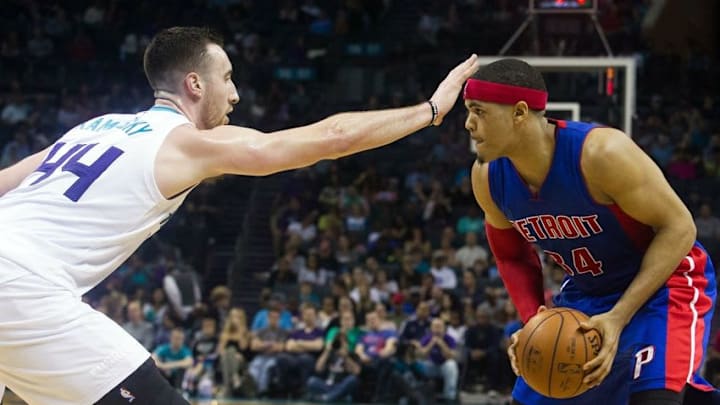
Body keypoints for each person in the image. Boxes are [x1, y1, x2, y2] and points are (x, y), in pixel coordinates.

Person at [0, 26, 479, 404]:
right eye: (226, 78)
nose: (235, 94)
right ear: (194, 83)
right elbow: (332, 138)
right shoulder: (185, 141)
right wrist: (431, 110)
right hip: (23, 284)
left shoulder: (93, 128)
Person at [465, 58, 717, 405]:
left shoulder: (601, 153)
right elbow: (511, 255)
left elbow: (679, 227)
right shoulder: (486, 178)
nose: (469, 123)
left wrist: (619, 316)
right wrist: (533, 319)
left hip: (665, 286)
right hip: (588, 292)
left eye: (478, 111)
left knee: (654, 397)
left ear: (520, 113)